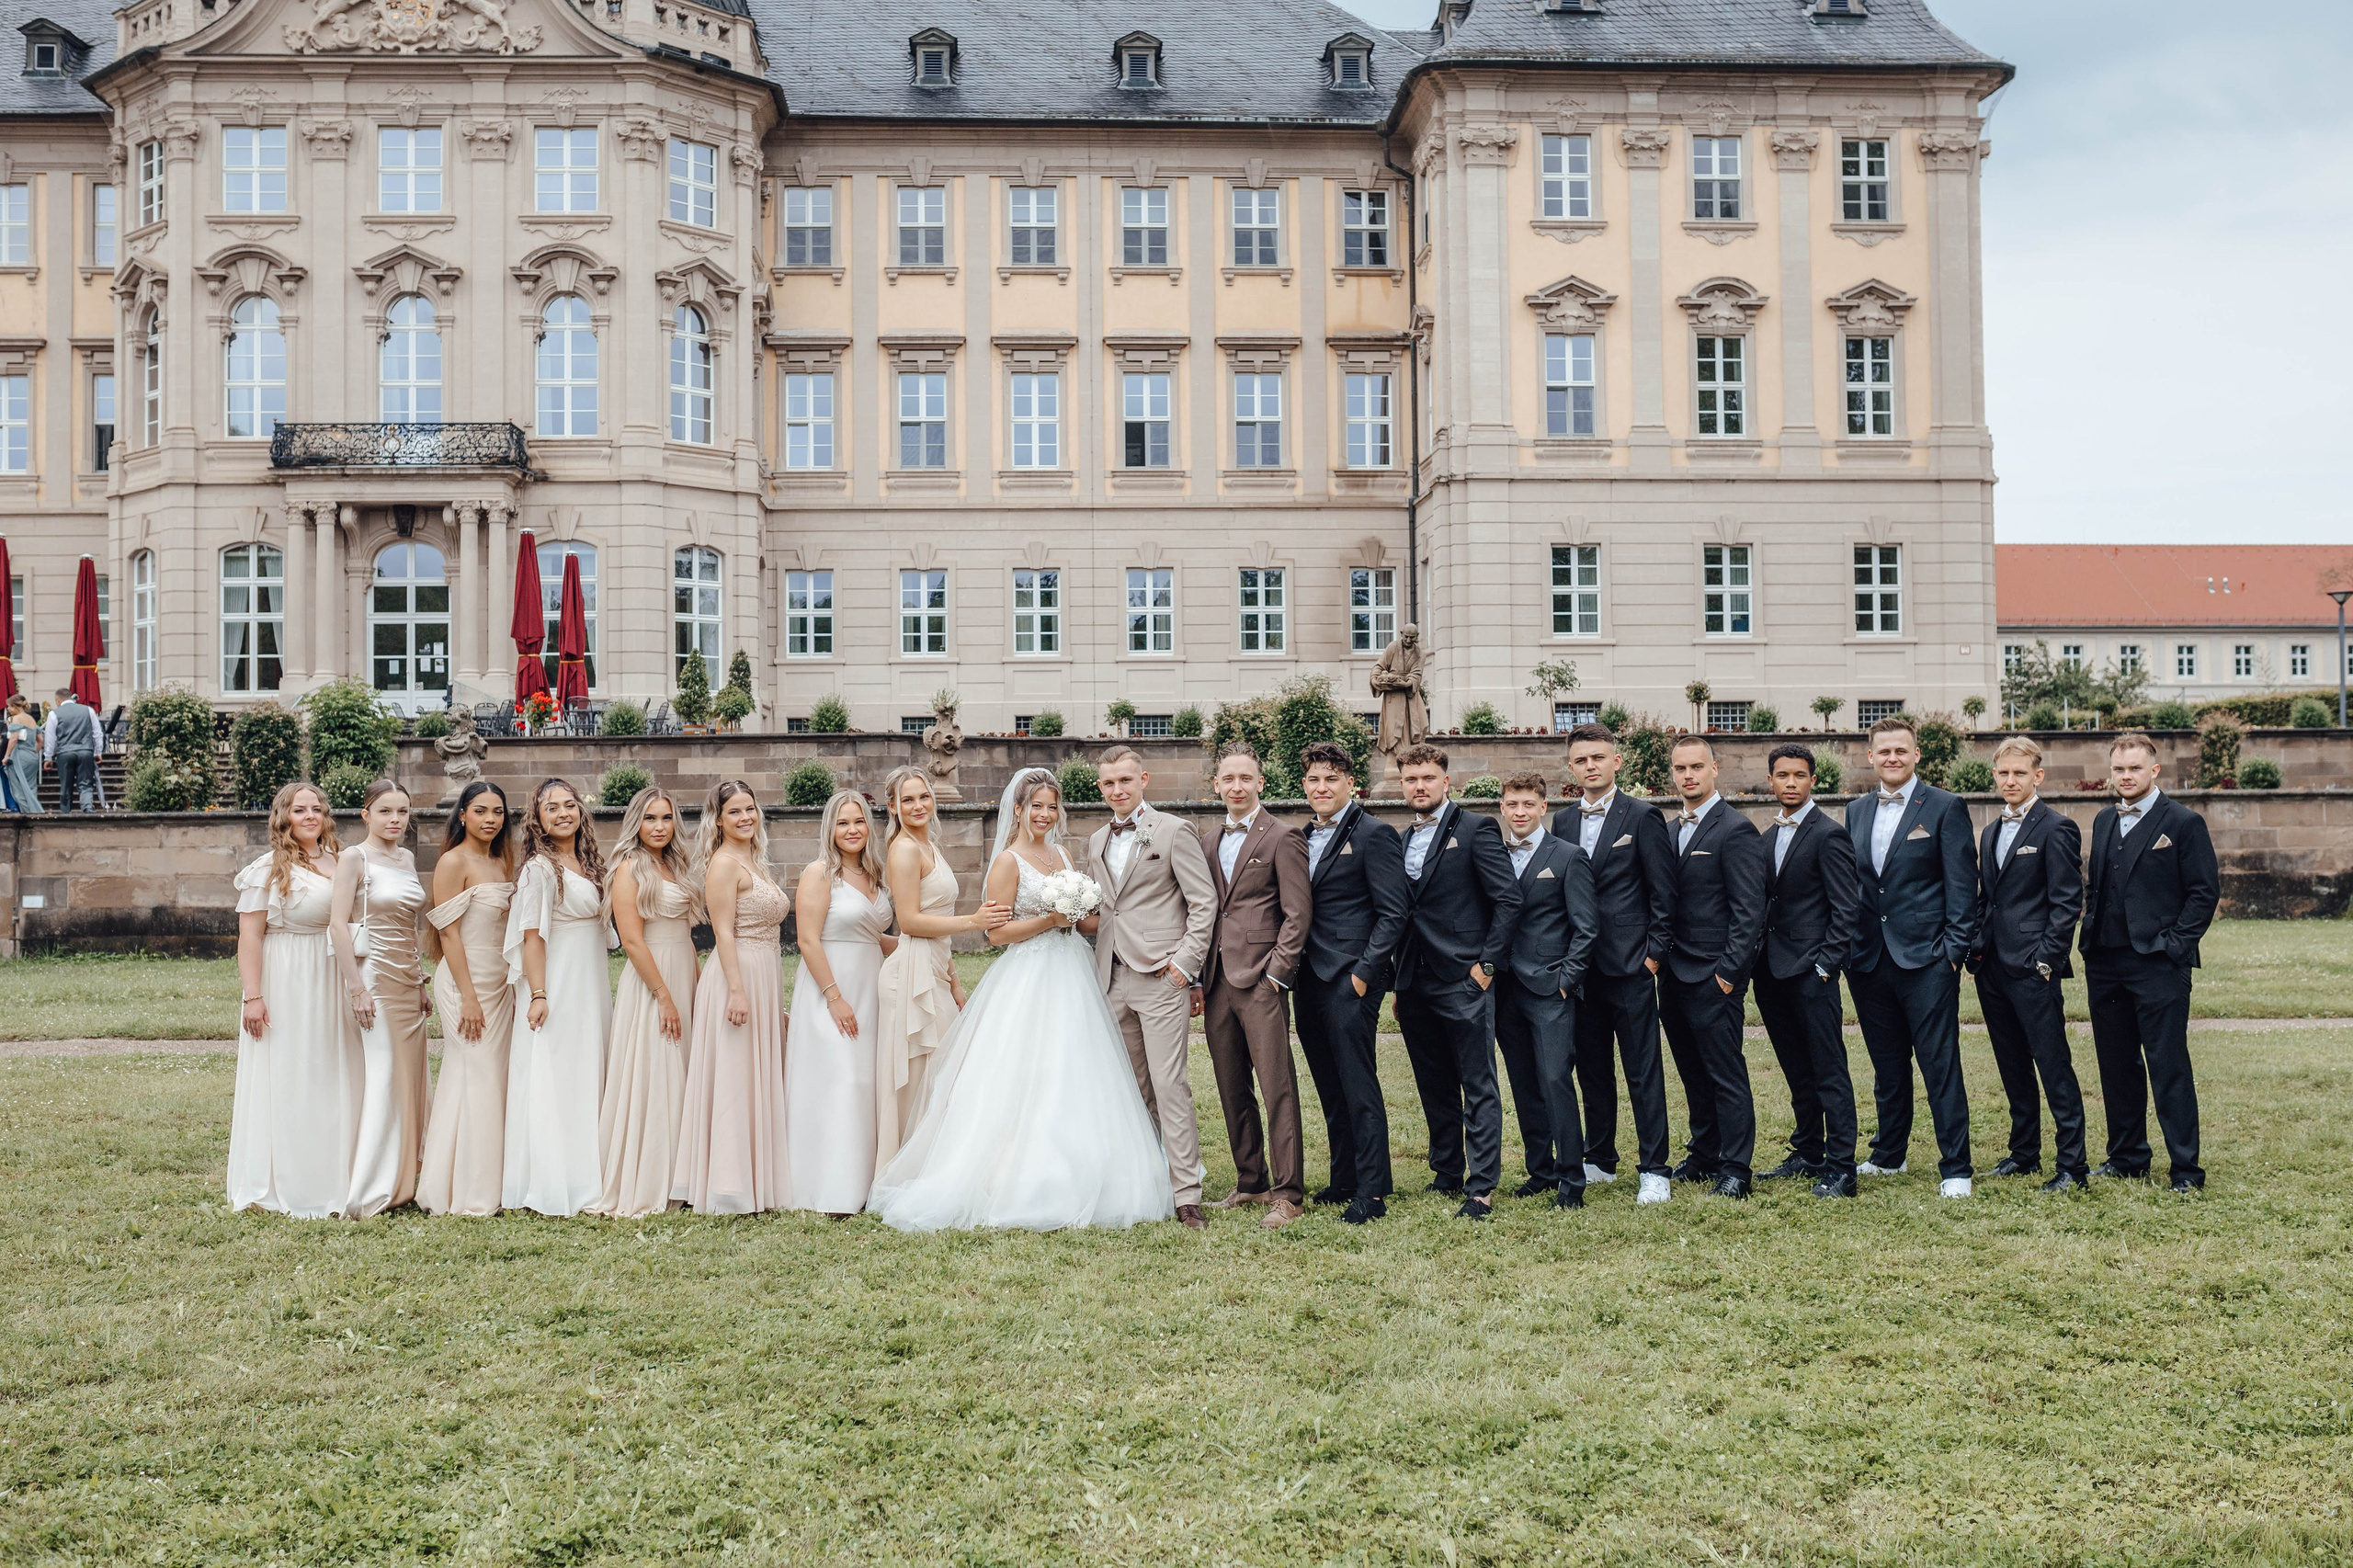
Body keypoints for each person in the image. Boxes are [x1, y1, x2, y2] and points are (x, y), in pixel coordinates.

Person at [870, 768, 1174, 1232]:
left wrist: (1113, 916)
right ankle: (1017, 1175)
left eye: (1052, 807)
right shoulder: (1008, 862)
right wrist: (1049, 921)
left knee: (1078, 1068)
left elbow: (1081, 922)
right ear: (1018, 809)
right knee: (1026, 1071)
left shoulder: (1062, 852)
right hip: (1029, 974)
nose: (1045, 815)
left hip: (1072, 970)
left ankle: (1086, 1166)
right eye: (1036, 807)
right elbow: (996, 933)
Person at [1846, 715, 1981, 1198]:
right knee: (1887, 1065)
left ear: (1916, 755)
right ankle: (1889, 1155)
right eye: (1884, 751)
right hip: (1868, 960)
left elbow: (1963, 886)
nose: (1893, 758)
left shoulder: (1945, 807)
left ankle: (1956, 1169)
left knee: (1939, 1063)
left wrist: (1953, 953)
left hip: (1927, 959)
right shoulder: (1856, 810)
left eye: (1901, 750)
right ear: (1870, 757)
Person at [1085, 744, 1216, 1229]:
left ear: (1143, 779)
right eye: (1107, 784)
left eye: (1124, 781)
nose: (1116, 790)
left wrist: (1186, 965)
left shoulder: (1173, 831)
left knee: (1170, 1085)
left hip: (1162, 976)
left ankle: (1186, 1194)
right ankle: (1145, 1181)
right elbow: (1107, 909)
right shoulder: (1097, 839)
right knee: (1130, 1087)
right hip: (1112, 977)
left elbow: (1203, 904)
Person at [2080, 732, 2220, 1190]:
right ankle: (2127, 1157)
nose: (2125, 776)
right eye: (2118, 769)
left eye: (2134, 768)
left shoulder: (2183, 823)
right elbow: (2097, 887)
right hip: (2105, 963)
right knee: (2116, 1065)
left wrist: (2175, 946)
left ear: (2153, 771)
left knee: (2168, 1066)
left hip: (2158, 964)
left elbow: (2204, 893)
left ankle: (2186, 1170)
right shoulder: (2103, 821)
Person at [1389, 743, 1522, 1219]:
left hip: (1465, 979)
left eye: (1427, 777)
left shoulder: (1477, 829)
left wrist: (1486, 966)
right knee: (1433, 1082)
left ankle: (1482, 1185)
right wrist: (1399, 983)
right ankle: (1446, 1171)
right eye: (1410, 779)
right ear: (1401, 784)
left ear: (1446, 782)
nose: (1418, 786)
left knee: (1477, 1081)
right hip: (1414, 982)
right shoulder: (1401, 838)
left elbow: (1508, 901)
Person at [1550, 722, 1677, 1206]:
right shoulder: (1561, 822)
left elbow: (1664, 895)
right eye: (1581, 760)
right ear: (1571, 767)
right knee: (1592, 1069)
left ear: (1615, 761)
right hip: (1580, 970)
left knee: (1643, 1070)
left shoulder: (1643, 816)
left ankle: (1655, 1169)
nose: (1590, 766)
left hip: (1631, 967)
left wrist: (1653, 958)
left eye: (1598, 758)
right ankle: (1600, 1156)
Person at [227, 781, 363, 1217]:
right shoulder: (266, 868)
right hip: (284, 974)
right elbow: (249, 936)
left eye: (317, 809)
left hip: (331, 975)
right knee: (290, 1072)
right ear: (284, 816)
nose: (309, 816)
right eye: (300, 810)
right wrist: (254, 996)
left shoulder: (343, 862)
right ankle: (285, 1180)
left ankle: (335, 1174)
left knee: (331, 1070)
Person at [1192, 742, 1312, 1230]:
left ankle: (1289, 1193)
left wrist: (1276, 974)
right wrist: (1200, 977)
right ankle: (1251, 1182)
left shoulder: (1282, 837)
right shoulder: (1206, 839)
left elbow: (1297, 914)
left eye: (1246, 778)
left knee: (1276, 1087)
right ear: (1217, 785)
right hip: (1217, 979)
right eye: (1228, 779)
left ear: (1260, 783)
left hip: (1262, 979)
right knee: (1230, 1085)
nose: (1237, 786)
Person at [1290, 740, 1408, 1225]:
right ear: (1304, 786)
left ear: (1349, 784)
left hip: (1350, 978)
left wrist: (1364, 975)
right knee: (1329, 1084)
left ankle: (1373, 1190)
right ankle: (1343, 1177)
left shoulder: (1375, 834)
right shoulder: (1300, 836)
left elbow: (1394, 912)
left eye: (1331, 779)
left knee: (1359, 1084)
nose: (1322, 787)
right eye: (1314, 779)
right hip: (1308, 978)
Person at [1968, 736, 2090, 1193]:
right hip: (1993, 968)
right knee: (2012, 1065)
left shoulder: (2056, 828)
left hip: (2033, 969)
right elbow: (1989, 899)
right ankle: (2024, 1154)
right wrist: (1976, 949)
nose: (2010, 781)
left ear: (2037, 776)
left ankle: (2073, 1167)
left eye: (2020, 773)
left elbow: (2066, 903)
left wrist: (2046, 961)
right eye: (2003, 773)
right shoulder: (1990, 831)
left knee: (2053, 1065)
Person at [873, 766, 1005, 1170]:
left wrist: (954, 981)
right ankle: (905, 1170)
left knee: (942, 1073)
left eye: (923, 797)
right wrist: (974, 922)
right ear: (892, 807)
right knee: (917, 1078)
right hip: (909, 975)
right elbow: (910, 922)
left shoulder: (928, 845)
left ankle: (933, 1166)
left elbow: (937, 919)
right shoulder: (904, 849)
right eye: (907, 799)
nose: (917, 806)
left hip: (934, 971)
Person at [1655, 737, 1769, 1199]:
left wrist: (1728, 973)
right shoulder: (1667, 829)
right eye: (1681, 768)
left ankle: (1736, 1169)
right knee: (1692, 1072)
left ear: (1714, 769)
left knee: (1725, 1073)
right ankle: (1704, 1154)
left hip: (1714, 976)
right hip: (1673, 974)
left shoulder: (1735, 829)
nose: (1688, 775)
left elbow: (1750, 911)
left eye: (1697, 767)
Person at [674, 778, 792, 1213]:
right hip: (735, 977)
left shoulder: (755, 860)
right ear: (719, 820)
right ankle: (728, 1183)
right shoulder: (723, 864)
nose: (745, 818)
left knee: (753, 1074)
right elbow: (721, 933)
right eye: (735, 812)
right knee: (734, 1077)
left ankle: (757, 1175)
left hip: (763, 973)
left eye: (750, 809)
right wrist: (738, 992)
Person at [1752, 743, 1863, 1199]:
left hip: (1811, 971)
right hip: (1771, 974)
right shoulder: (1765, 836)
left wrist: (1824, 966)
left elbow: (1847, 907)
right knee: (1796, 1068)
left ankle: (1841, 1167)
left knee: (1828, 1068)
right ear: (1772, 781)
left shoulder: (1828, 834)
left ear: (1812, 780)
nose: (1791, 783)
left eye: (1799, 775)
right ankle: (1808, 1150)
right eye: (1782, 775)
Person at [502, 777, 611, 1217]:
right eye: (552, 807)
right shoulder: (539, 869)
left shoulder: (587, 864)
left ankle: (588, 1173)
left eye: (570, 804)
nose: (564, 813)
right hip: (557, 981)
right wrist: (539, 994)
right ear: (538, 819)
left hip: (590, 980)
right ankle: (552, 1180)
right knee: (556, 1073)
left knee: (586, 1070)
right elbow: (533, 936)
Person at [1490, 771, 1598, 1209]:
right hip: (1503, 990)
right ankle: (1541, 1171)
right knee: (1523, 1082)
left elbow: (1587, 928)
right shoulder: (1494, 853)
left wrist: (1565, 981)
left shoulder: (1569, 856)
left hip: (1549, 988)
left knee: (1555, 1080)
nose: (1520, 812)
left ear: (1543, 808)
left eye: (1528, 805)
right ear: (1502, 808)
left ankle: (1572, 1180)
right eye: (1512, 805)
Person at [591, 786, 700, 1218]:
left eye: (667, 818)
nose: (659, 827)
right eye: (651, 818)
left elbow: (688, 935)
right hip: (652, 979)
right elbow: (633, 941)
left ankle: (687, 1172)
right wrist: (664, 996)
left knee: (686, 1069)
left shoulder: (674, 864)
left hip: (683, 969)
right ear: (636, 822)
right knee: (658, 1072)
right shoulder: (629, 867)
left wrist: (699, 985)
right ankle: (654, 1177)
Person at [786, 790, 896, 1215]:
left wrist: (921, 950)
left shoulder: (877, 875)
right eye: (843, 823)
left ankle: (865, 1184)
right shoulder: (819, 873)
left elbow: (876, 936)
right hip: (830, 988)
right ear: (830, 829)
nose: (852, 830)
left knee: (866, 1082)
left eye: (859, 822)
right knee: (839, 1081)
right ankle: (828, 1188)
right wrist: (834, 998)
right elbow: (807, 939)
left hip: (872, 984)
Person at [329, 779, 432, 1218]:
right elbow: (337, 926)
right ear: (365, 813)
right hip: (375, 979)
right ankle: (371, 1191)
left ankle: (404, 1182)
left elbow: (412, 925)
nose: (395, 820)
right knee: (386, 1074)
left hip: (409, 980)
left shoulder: (407, 858)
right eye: (386, 811)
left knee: (411, 1079)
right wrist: (357, 988)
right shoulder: (354, 858)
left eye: (403, 812)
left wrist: (422, 981)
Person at [418, 781, 517, 1217]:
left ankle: (484, 1180)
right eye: (481, 811)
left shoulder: (500, 861)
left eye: (497, 812)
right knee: (475, 1072)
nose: (490, 819)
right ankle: (469, 1193)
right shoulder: (452, 861)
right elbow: (448, 933)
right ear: (462, 815)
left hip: (500, 981)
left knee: (490, 1077)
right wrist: (469, 996)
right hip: (465, 980)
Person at [44, 686, 99, 812]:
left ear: (58, 700)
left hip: (65, 752)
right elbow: (97, 733)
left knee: (66, 785)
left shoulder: (54, 714)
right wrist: (98, 752)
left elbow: (50, 738)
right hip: (85, 751)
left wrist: (48, 758)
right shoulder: (88, 710)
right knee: (86, 783)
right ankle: (87, 808)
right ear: (70, 697)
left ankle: (65, 811)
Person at [4, 693, 42, 812]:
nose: (8, 709)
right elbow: (40, 741)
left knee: (19, 792)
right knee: (30, 789)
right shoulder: (31, 719)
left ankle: (29, 817)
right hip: (32, 757)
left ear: (15, 706)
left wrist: (6, 756)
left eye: (9, 706)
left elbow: (14, 739)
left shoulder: (17, 718)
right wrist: (32, 752)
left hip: (19, 755)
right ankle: (36, 816)